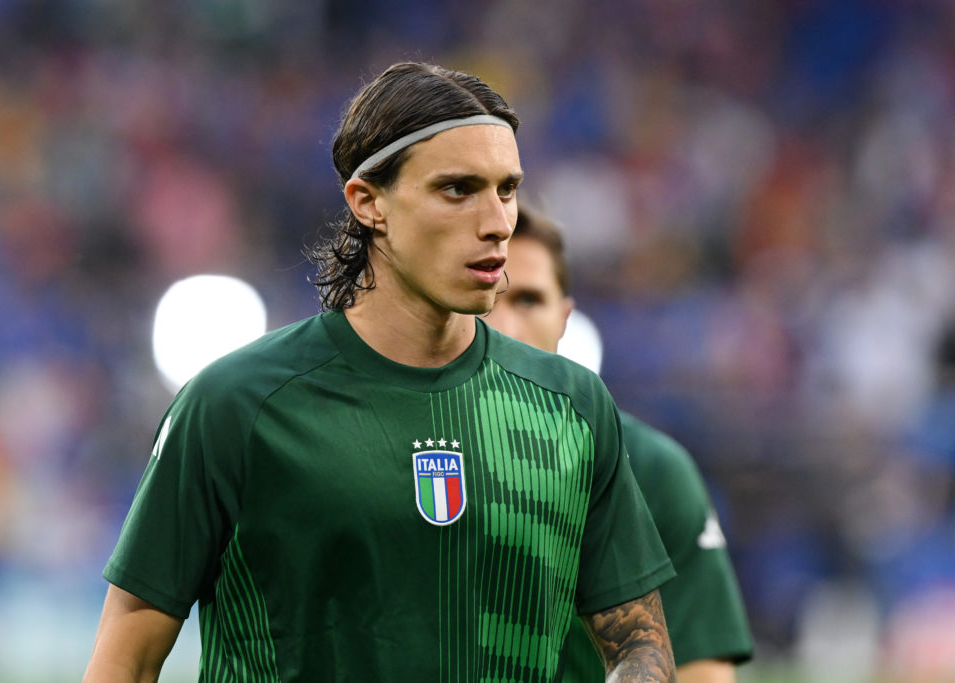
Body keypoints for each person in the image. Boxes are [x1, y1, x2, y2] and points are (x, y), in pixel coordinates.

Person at [83, 62, 679, 682]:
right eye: (457, 189)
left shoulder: (572, 404)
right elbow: (125, 659)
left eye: (507, 189)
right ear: (368, 203)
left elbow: (642, 645)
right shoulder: (235, 404)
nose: (499, 222)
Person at [483, 204, 754, 682]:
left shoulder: (650, 472)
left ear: (565, 317)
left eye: (527, 300)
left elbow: (701, 673)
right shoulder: (394, 451)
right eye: (486, 298)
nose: (504, 326)